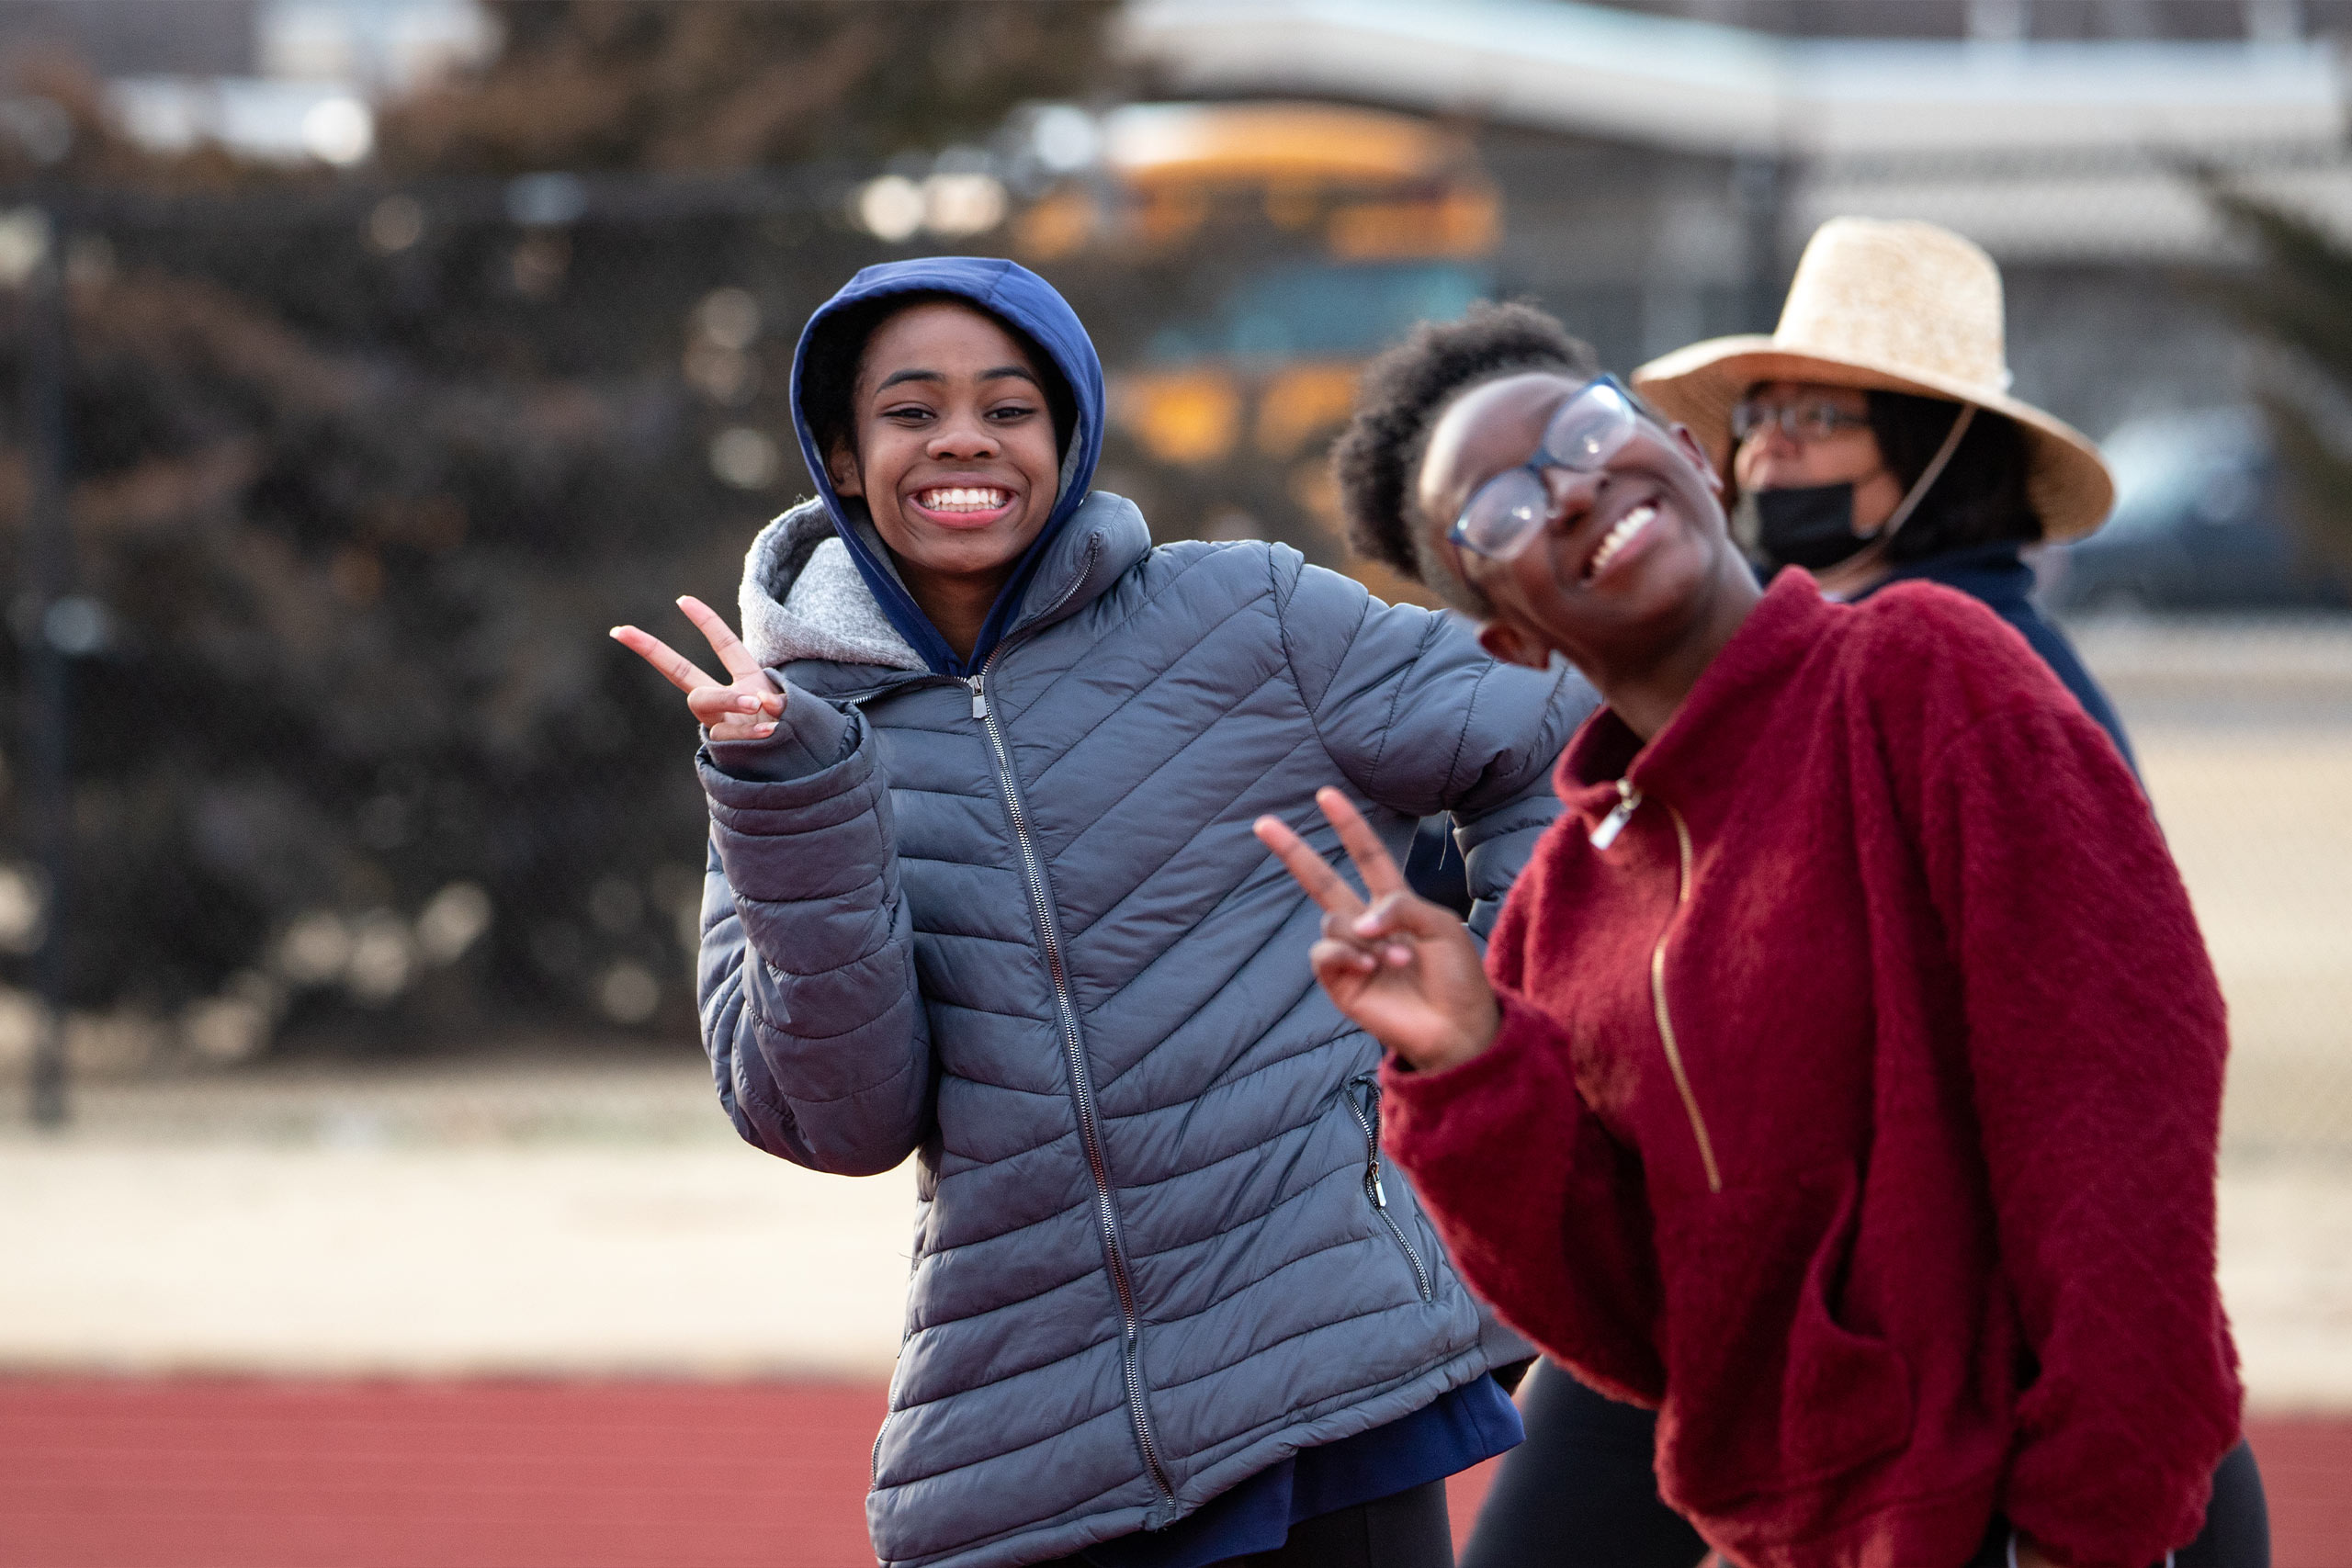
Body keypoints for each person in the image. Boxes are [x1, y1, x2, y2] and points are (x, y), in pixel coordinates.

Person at [612, 257, 1591, 1568]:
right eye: (911, 411)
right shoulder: (788, 741)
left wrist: (1508, 1005)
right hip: (1033, 1445)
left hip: (1328, 1369)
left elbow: (1559, 721)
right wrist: (787, 795)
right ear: (842, 457)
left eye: (1009, 407)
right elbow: (840, 1120)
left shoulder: (1245, 615)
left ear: (1067, 438)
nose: (963, 436)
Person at [1255, 296, 2250, 1568]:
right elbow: (1638, 1331)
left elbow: (2116, 1115)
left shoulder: (1925, 671)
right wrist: (1469, 1066)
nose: (1564, 492)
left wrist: (2086, 1529)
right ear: (1507, 630)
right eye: (1500, 509)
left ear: (1682, 447)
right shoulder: (1560, 910)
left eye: (1583, 430)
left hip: (2048, 1521)